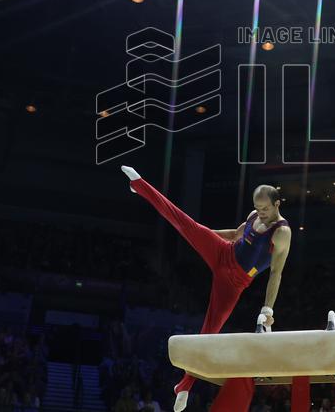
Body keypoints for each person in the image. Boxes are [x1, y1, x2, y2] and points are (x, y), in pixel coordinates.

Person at [120, 166, 292, 412]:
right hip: (223, 252)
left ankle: (184, 387)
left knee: (209, 332)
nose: (261, 213)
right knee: (185, 223)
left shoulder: (282, 232)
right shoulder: (254, 216)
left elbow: (276, 272)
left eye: (265, 209)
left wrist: (267, 308)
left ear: (277, 204)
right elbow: (235, 235)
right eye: (258, 208)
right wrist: (200, 235)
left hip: (234, 283)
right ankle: (139, 185)